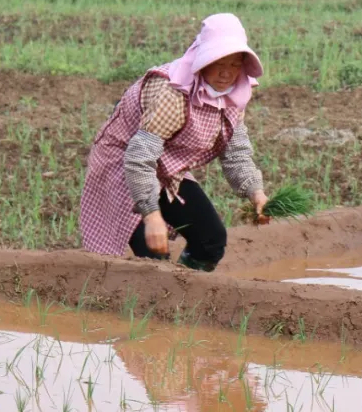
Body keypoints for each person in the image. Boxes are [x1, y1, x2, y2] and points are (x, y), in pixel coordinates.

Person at [80, 14, 269, 272]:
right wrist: (151, 215)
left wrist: (256, 192)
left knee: (211, 240)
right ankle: (150, 296)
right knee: (152, 257)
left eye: (235, 64)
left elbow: (235, 153)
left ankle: (183, 291)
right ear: (203, 60)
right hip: (125, 162)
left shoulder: (235, 95)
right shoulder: (173, 93)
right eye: (219, 63)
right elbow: (139, 158)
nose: (227, 73)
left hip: (166, 164)